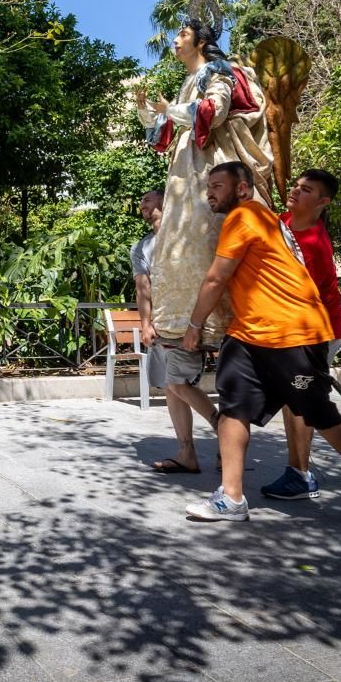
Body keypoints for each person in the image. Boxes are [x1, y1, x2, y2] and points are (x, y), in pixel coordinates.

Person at [180, 162, 341, 524]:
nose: (210, 192)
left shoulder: (245, 215)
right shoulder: (266, 217)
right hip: (247, 334)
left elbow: (217, 278)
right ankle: (231, 498)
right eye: (208, 186)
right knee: (233, 408)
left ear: (242, 189)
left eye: (217, 185)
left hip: (295, 335)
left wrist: (194, 325)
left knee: (317, 413)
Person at [133, 6, 273, 355]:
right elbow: (164, 134)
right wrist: (149, 112)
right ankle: (181, 321)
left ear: (201, 41)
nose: (174, 39)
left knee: (209, 235)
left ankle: (221, 321)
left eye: (182, 34)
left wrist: (172, 111)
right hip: (183, 169)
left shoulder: (219, 70)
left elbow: (215, 111)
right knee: (181, 240)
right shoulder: (185, 82)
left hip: (209, 164)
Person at [260, 169, 341, 501]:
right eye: (296, 186)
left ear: (323, 202)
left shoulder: (314, 245)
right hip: (291, 327)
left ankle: (300, 474)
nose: (295, 191)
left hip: (317, 329)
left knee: (301, 401)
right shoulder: (281, 220)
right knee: (298, 399)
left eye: (306, 190)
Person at [131, 189, 217, 474]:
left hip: (189, 323)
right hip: (163, 326)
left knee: (179, 385)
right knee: (172, 388)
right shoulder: (141, 247)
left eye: (149, 198)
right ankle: (186, 452)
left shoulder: (187, 237)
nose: (143, 203)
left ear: (166, 202)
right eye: (141, 201)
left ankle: (226, 430)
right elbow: (143, 289)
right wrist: (145, 323)